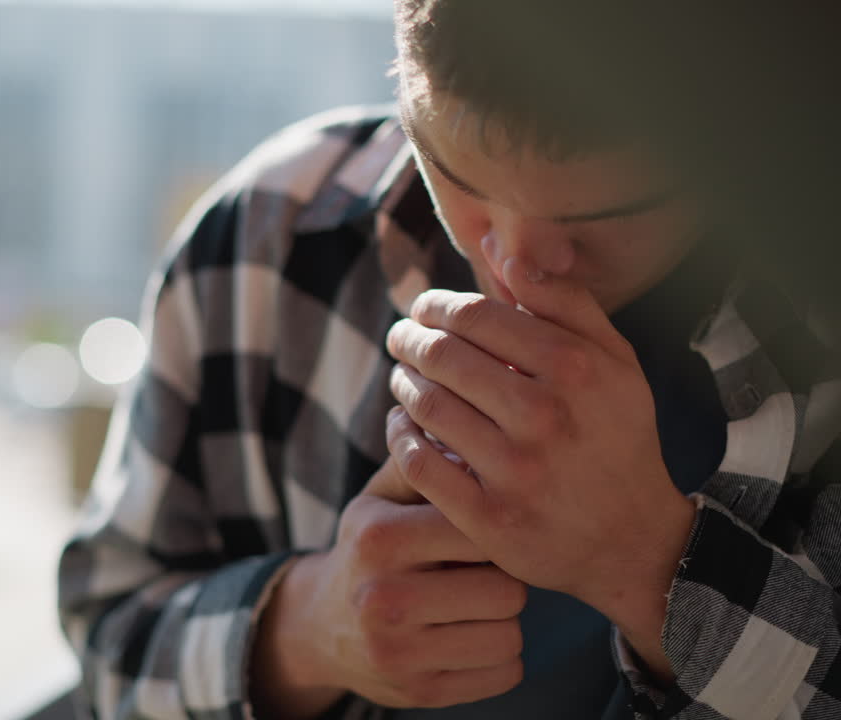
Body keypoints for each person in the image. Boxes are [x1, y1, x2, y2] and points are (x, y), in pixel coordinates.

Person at [58, 1, 841, 718]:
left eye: (601, 218)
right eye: (454, 172)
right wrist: (309, 629)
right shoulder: (263, 244)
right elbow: (106, 646)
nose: (515, 267)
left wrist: (651, 567)